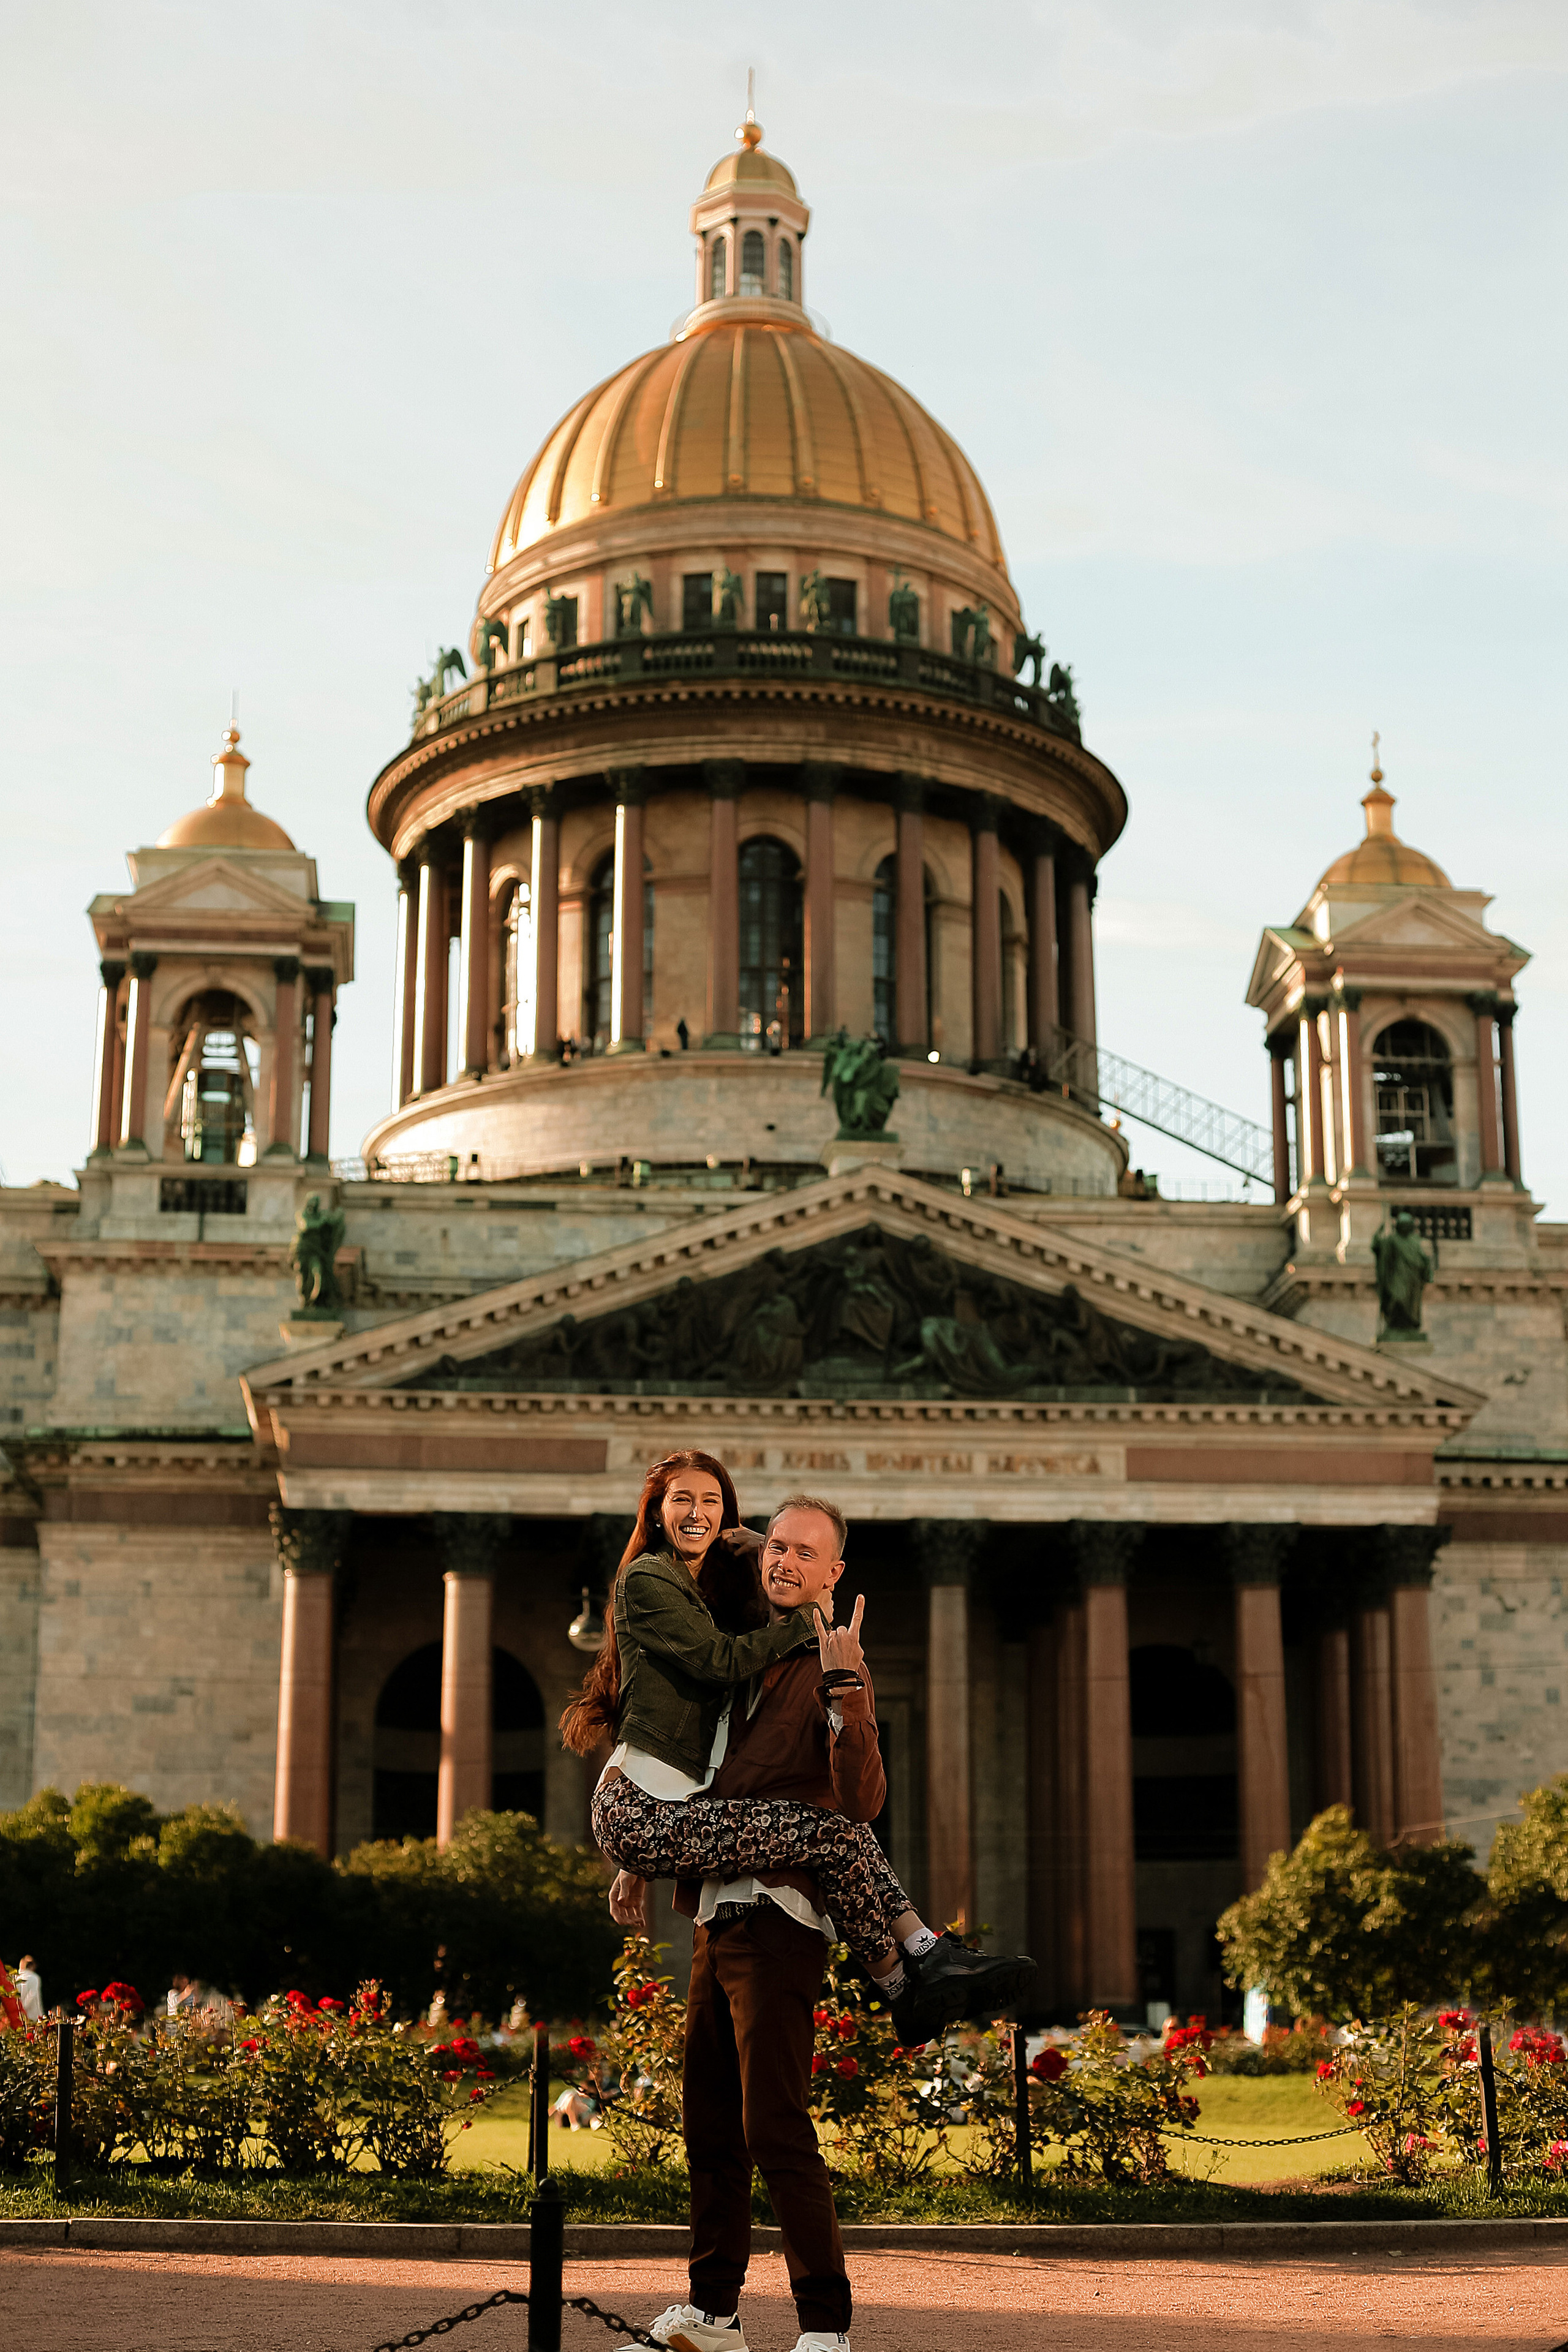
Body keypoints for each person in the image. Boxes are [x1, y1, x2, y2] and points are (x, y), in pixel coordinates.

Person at [560, 1452, 1033, 2043]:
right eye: (682, 1499)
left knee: (838, 1829)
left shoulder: (702, 1593)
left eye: (712, 1502)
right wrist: (811, 1612)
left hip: (666, 1806)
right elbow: (719, 1662)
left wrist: (769, 1546)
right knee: (830, 1835)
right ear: (655, 1512)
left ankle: (922, 1951)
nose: (698, 1513)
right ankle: (904, 1983)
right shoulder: (651, 1577)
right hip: (642, 1808)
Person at [610, 1495, 912, 2352]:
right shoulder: (742, 1656)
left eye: (804, 1552)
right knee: (709, 2124)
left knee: (773, 2125)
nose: (783, 1561)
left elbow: (861, 1801)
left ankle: (825, 2327)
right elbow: (702, 1778)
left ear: (834, 1572)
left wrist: (851, 1693)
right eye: (776, 1547)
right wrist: (643, 1852)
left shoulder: (832, 1661)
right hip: (717, 1915)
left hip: (781, 1919)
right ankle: (714, 2316)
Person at [13, 1956, 42, 2021]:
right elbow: (32, 1995)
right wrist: (24, 2008)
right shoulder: (35, 1978)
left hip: (18, 2016)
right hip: (33, 2016)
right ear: (31, 1966)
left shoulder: (15, 1979)